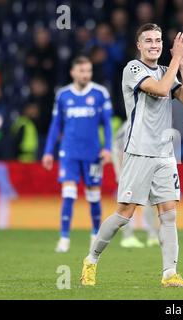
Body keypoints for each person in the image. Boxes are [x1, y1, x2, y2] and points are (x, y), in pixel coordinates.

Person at [80, 24, 183, 288]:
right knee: (124, 213)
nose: (154, 44)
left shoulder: (167, 71)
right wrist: (175, 59)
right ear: (140, 46)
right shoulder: (134, 69)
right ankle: (91, 259)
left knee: (168, 214)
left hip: (164, 155)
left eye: (158, 39)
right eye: (149, 41)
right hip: (139, 151)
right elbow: (159, 90)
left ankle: (170, 274)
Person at [42, 56, 113, 253]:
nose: (85, 75)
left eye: (88, 71)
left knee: (94, 195)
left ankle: (95, 236)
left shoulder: (100, 93)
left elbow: (107, 124)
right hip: (69, 152)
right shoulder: (63, 95)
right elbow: (56, 125)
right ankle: (64, 238)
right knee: (68, 194)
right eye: (82, 71)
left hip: (93, 154)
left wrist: (107, 148)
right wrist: (48, 151)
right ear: (73, 72)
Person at [112, 121, 160, 248]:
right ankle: (127, 236)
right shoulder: (130, 123)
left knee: (149, 201)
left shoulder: (150, 123)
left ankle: (152, 235)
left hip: (141, 166)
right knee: (127, 203)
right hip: (127, 168)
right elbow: (117, 146)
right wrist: (119, 170)